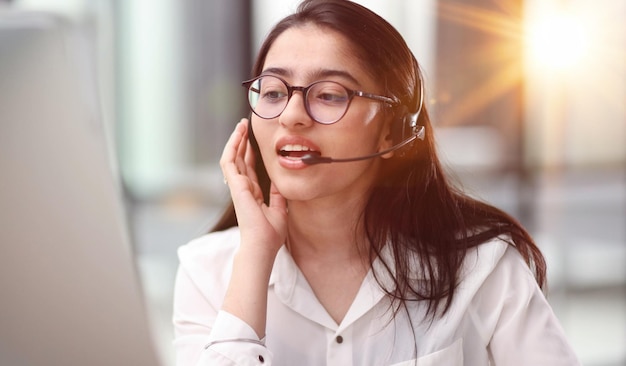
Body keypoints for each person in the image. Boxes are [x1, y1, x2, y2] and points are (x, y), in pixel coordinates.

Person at [173, 0, 581, 364]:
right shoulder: (206, 271)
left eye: (330, 95)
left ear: (391, 132)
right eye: (275, 92)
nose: (291, 115)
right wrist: (255, 257)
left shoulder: (484, 269)